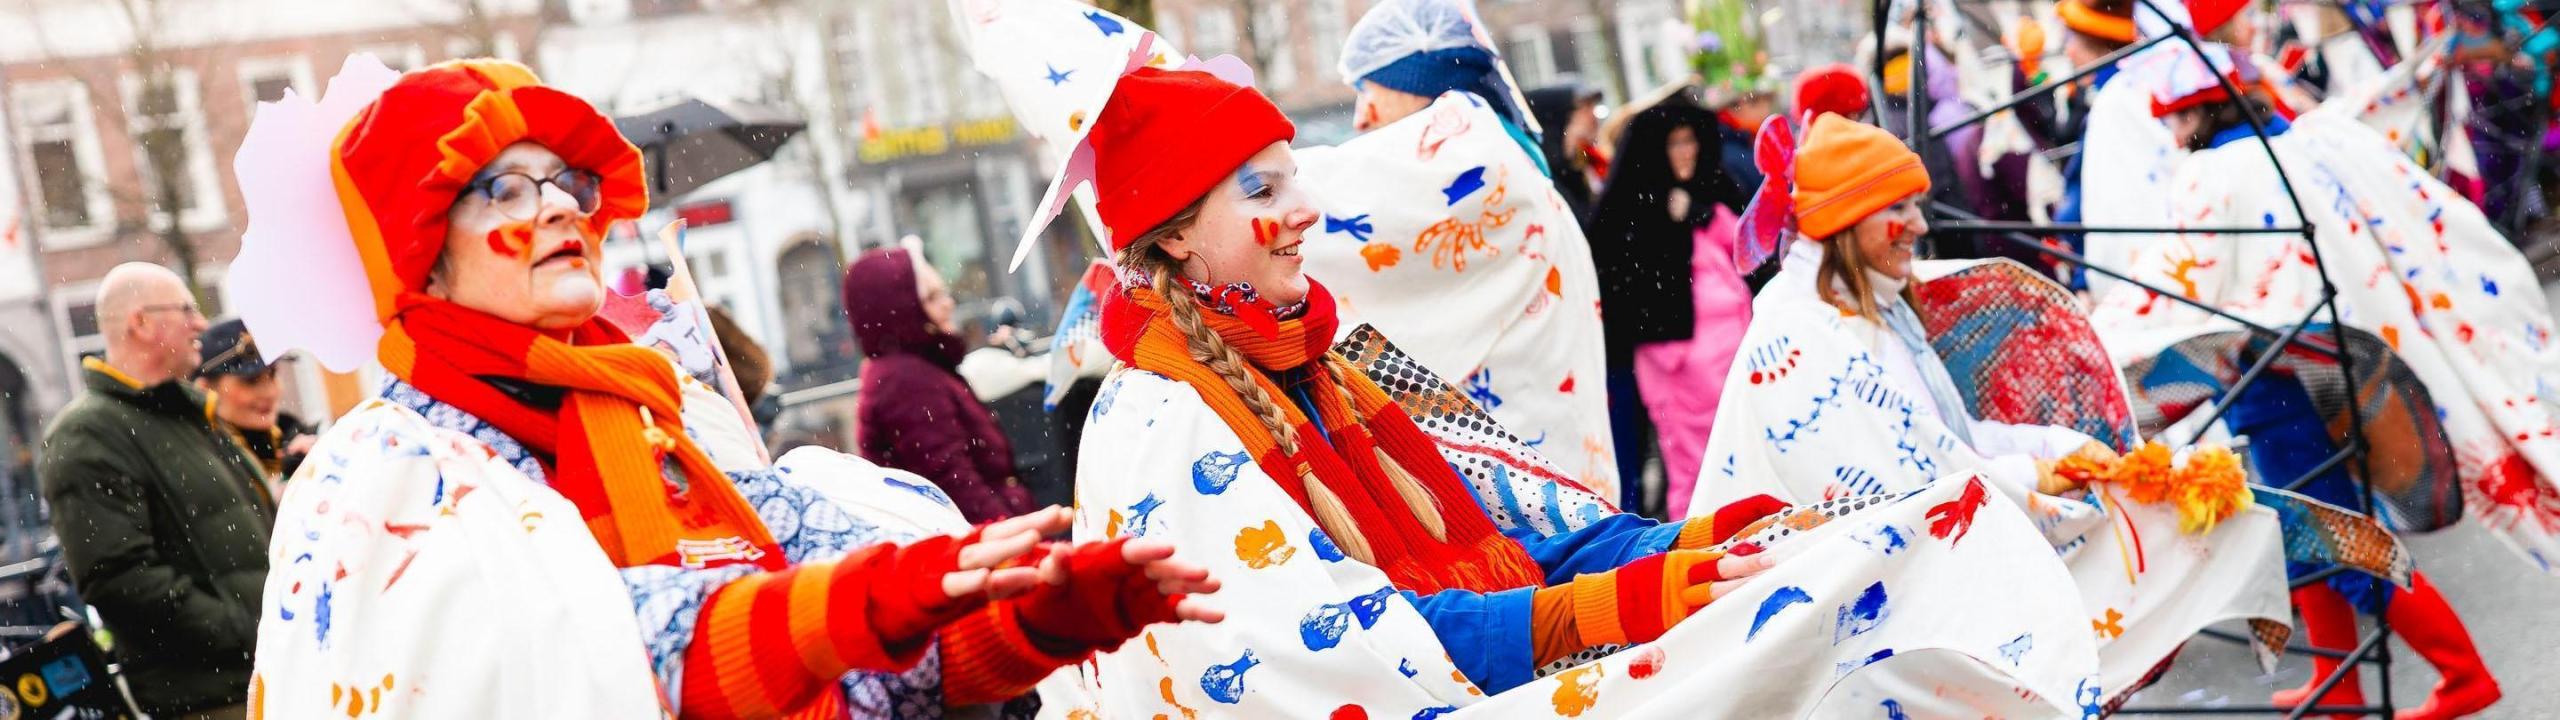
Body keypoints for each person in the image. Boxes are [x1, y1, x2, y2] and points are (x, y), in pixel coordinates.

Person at [1047, 56, 2114, 718]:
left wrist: (1697, 551)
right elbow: (1365, 651)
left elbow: (1525, 519)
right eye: (1263, 188)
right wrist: (1623, 599)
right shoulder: (1162, 424)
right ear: (1177, 230)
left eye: (1298, 176)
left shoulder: (1331, 353)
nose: (1309, 209)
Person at [244, 58, 1221, 718]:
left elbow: (855, 659)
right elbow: (616, 662)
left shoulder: (657, 411)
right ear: (421, 256)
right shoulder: (388, 478)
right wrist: (872, 598)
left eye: (565, 183)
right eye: (500, 188)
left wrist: (1029, 622)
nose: (555, 206)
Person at [1689, 112, 2290, 704]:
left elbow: (1943, 435)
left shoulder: (1878, 305)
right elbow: (1909, 491)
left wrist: (2056, 447)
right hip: (1867, 639)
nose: (1918, 225)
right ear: (1846, 221)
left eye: (1916, 206)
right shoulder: (1801, 333)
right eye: (1897, 209)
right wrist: (2042, 472)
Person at [2087, 47, 2538, 718]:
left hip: (2274, 376)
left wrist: (2102, 327)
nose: (2173, 139)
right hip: (2327, 360)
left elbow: (2185, 283)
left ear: (2199, 114)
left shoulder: (2211, 174)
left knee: (2335, 536)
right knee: (2304, 528)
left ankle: (2463, 674)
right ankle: (2341, 683)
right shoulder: (2298, 143)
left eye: (2176, 123)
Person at [1298, 0, 1621, 499]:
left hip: (1524, 479)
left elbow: (1331, 205)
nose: (1361, 116)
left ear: (1415, 80)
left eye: (1367, 88)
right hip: (1543, 461)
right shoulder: (1502, 152)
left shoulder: (1467, 141)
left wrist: (1239, 183)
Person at [38, 263, 273, 719]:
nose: (201, 323)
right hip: (211, 698)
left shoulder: (186, 414)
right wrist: (244, 629)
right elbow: (120, 580)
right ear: (140, 323)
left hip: (258, 679)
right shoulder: (87, 434)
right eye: (186, 309)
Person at [1587, 98, 1751, 518]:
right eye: (1675, 143)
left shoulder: (1712, 191)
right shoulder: (1633, 209)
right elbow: (1624, 281)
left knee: (1738, 454)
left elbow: (1747, 253)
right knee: (1695, 466)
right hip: (1679, 358)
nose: (1686, 151)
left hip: (1730, 354)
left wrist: (1702, 215)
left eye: (1690, 140)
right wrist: (1667, 352)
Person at [845, 247, 1037, 523]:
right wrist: (1018, 538)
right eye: (931, 297)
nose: (948, 304)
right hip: (985, 542)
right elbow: (955, 483)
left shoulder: (913, 367)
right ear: (899, 309)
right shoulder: (905, 379)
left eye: (943, 293)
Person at [193, 318, 316, 485]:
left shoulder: (295, 439)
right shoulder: (198, 463)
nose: (270, 392)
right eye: (251, 381)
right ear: (204, 390)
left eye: (273, 374)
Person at [1524, 83, 1606, 224]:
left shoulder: (1588, 164)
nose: (1593, 117)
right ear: (1560, 119)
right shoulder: (1544, 183)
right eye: (1584, 108)